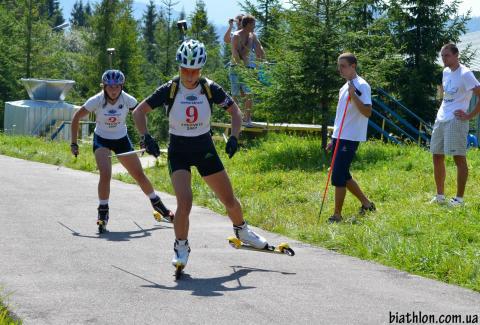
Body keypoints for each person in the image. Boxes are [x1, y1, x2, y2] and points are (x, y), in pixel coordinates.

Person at [133, 39, 269, 269]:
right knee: (184, 202)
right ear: (179, 66)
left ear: (201, 68)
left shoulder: (209, 88)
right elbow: (139, 112)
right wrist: (146, 136)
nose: (189, 74)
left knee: (229, 200)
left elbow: (235, 112)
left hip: (204, 148)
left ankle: (242, 230)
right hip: (179, 151)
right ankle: (181, 246)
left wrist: (235, 136)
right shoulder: (170, 88)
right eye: (185, 68)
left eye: (194, 69)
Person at [70, 69, 174, 231]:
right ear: (104, 87)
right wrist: (74, 143)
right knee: (106, 174)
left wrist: (143, 137)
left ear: (121, 86)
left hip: (121, 140)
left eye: (117, 87)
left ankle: (158, 205)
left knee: (139, 175)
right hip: (102, 139)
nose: (113, 90)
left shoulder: (127, 100)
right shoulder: (97, 100)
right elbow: (76, 117)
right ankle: (103, 211)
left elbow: (140, 114)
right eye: (110, 87)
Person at [430, 43, 480, 206]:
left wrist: (469, 115)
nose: (444, 59)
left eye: (447, 55)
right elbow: (445, 93)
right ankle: (440, 196)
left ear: (456, 55)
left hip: (456, 120)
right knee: (437, 156)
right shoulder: (445, 71)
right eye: (442, 56)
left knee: (459, 158)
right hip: (441, 118)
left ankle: (459, 199)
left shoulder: (466, 74)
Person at [328, 53, 376, 223]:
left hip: (350, 138)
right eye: (338, 65)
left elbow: (368, 112)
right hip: (340, 136)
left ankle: (337, 215)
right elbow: (341, 115)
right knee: (344, 174)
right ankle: (367, 204)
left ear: (353, 66)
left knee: (338, 175)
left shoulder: (362, 85)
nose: (339, 69)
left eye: (343, 66)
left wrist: (354, 95)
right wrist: (333, 138)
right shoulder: (345, 86)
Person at [230, 14, 265, 127]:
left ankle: (247, 118)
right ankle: (234, 118)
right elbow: (234, 52)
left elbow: (259, 48)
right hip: (236, 68)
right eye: (253, 24)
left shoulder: (252, 36)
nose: (255, 26)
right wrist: (241, 66)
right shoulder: (236, 36)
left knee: (249, 93)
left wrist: (263, 61)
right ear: (249, 24)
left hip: (248, 68)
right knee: (235, 94)